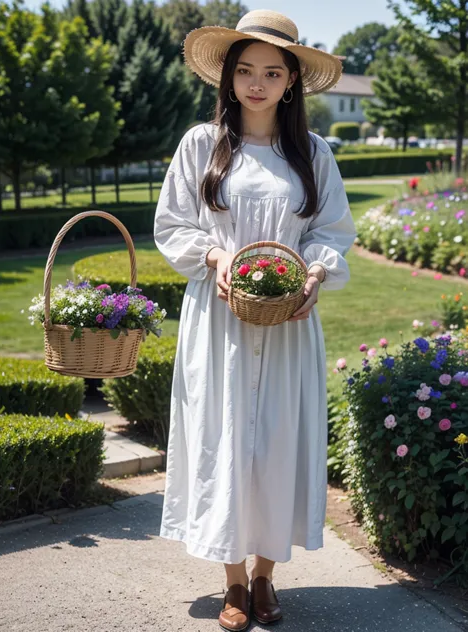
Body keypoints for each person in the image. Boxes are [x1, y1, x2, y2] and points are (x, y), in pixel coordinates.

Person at [153, 9, 357, 631]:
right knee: (225, 440)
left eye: (272, 72)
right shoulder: (201, 144)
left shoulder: (314, 153)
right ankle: (233, 583)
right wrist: (214, 255)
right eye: (245, 71)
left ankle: (267, 575)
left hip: (291, 322)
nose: (257, 83)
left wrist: (316, 272)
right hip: (219, 324)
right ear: (230, 77)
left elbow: (333, 233)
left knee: (275, 443)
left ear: (292, 81)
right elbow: (173, 225)